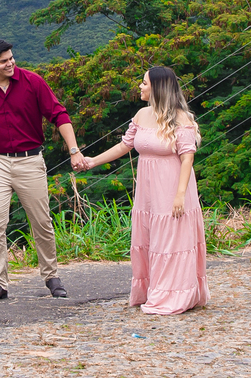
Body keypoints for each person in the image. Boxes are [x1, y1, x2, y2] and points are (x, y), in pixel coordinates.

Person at [0, 39, 85, 301]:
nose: (10, 63)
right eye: (4, 60)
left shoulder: (33, 82)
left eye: (11, 58)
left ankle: (51, 276)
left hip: (30, 160)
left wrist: (74, 149)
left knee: (41, 221)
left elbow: (59, 115)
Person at [82, 65, 209, 314]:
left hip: (172, 187)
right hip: (148, 191)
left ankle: (173, 295)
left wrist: (180, 195)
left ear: (157, 88)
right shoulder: (141, 115)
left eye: (144, 83)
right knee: (150, 240)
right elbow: (124, 146)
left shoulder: (181, 119)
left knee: (170, 241)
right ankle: (153, 290)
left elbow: (187, 158)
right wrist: (92, 161)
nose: (140, 87)